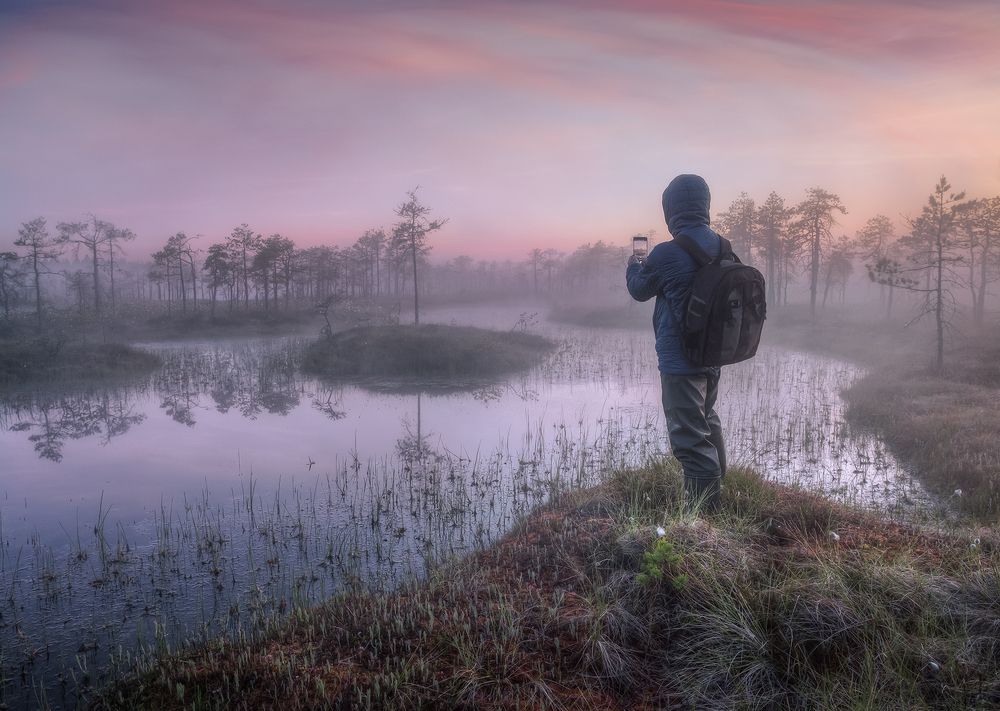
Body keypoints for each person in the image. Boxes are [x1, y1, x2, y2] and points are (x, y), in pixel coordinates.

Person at [626, 173, 727, 512]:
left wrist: (633, 265)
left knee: (689, 440)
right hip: (712, 356)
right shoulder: (723, 247)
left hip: (680, 363)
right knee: (707, 420)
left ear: (670, 210)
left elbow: (639, 290)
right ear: (704, 205)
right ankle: (719, 494)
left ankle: (703, 519)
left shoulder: (667, 253)